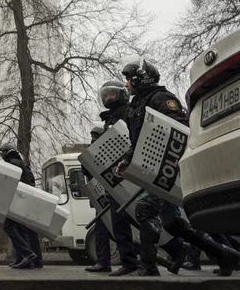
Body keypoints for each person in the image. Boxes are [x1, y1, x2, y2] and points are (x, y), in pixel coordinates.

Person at [115, 56, 240, 276]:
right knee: (173, 223)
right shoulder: (137, 105)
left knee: (144, 209)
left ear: (140, 79)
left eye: (128, 78)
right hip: (153, 168)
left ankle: (148, 267)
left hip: (167, 166)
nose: (126, 83)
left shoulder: (160, 98)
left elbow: (178, 128)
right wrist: (127, 159)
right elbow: (140, 141)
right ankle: (225, 255)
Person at [94, 81, 142, 277]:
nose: (108, 98)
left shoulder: (126, 112)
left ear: (121, 95)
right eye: (106, 95)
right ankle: (130, 260)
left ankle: (133, 261)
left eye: (112, 95)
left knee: (129, 219)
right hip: (116, 174)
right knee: (118, 220)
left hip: (127, 173)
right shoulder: (110, 118)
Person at [0, 144, 43, 270]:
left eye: (2, 153)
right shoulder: (20, 162)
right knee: (21, 229)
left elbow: (11, 183)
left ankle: (27, 254)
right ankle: (26, 258)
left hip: (16, 199)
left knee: (9, 226)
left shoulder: (13, 163)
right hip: (24, 200)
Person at [81, 127, 112, 273]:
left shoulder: (109, 150)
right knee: (101, 231)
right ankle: (103, 261)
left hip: (112, 196)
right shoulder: (92, 152)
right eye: (92, 136)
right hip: (101, 197)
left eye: (96, 136)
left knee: (118, 230)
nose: (93, 139)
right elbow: (86, 172)